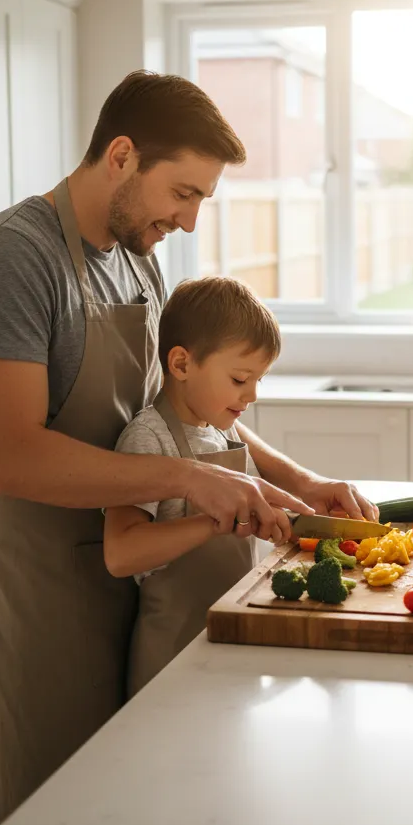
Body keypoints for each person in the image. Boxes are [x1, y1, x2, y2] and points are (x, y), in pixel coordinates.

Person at [0, 71, 377, 825]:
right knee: (50, 820)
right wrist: (190, 478)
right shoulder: (11, 259)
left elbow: (182, 407)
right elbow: (9, 458)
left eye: (201, 199)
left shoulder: (135, 256)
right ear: (121, 157)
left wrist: (300, 480)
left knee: (130, 812)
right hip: (42, 581)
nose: (188, 219)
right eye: (183, 193)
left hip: (135, 567)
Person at [106, 276, 303, 695]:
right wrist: (215, 522)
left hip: (229, 637)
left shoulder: (221, 432)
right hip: (170, 654)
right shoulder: (148, 438)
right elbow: (121, 553)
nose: (252, 395)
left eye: (259, 380)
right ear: (181, 365)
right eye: (239, 379)